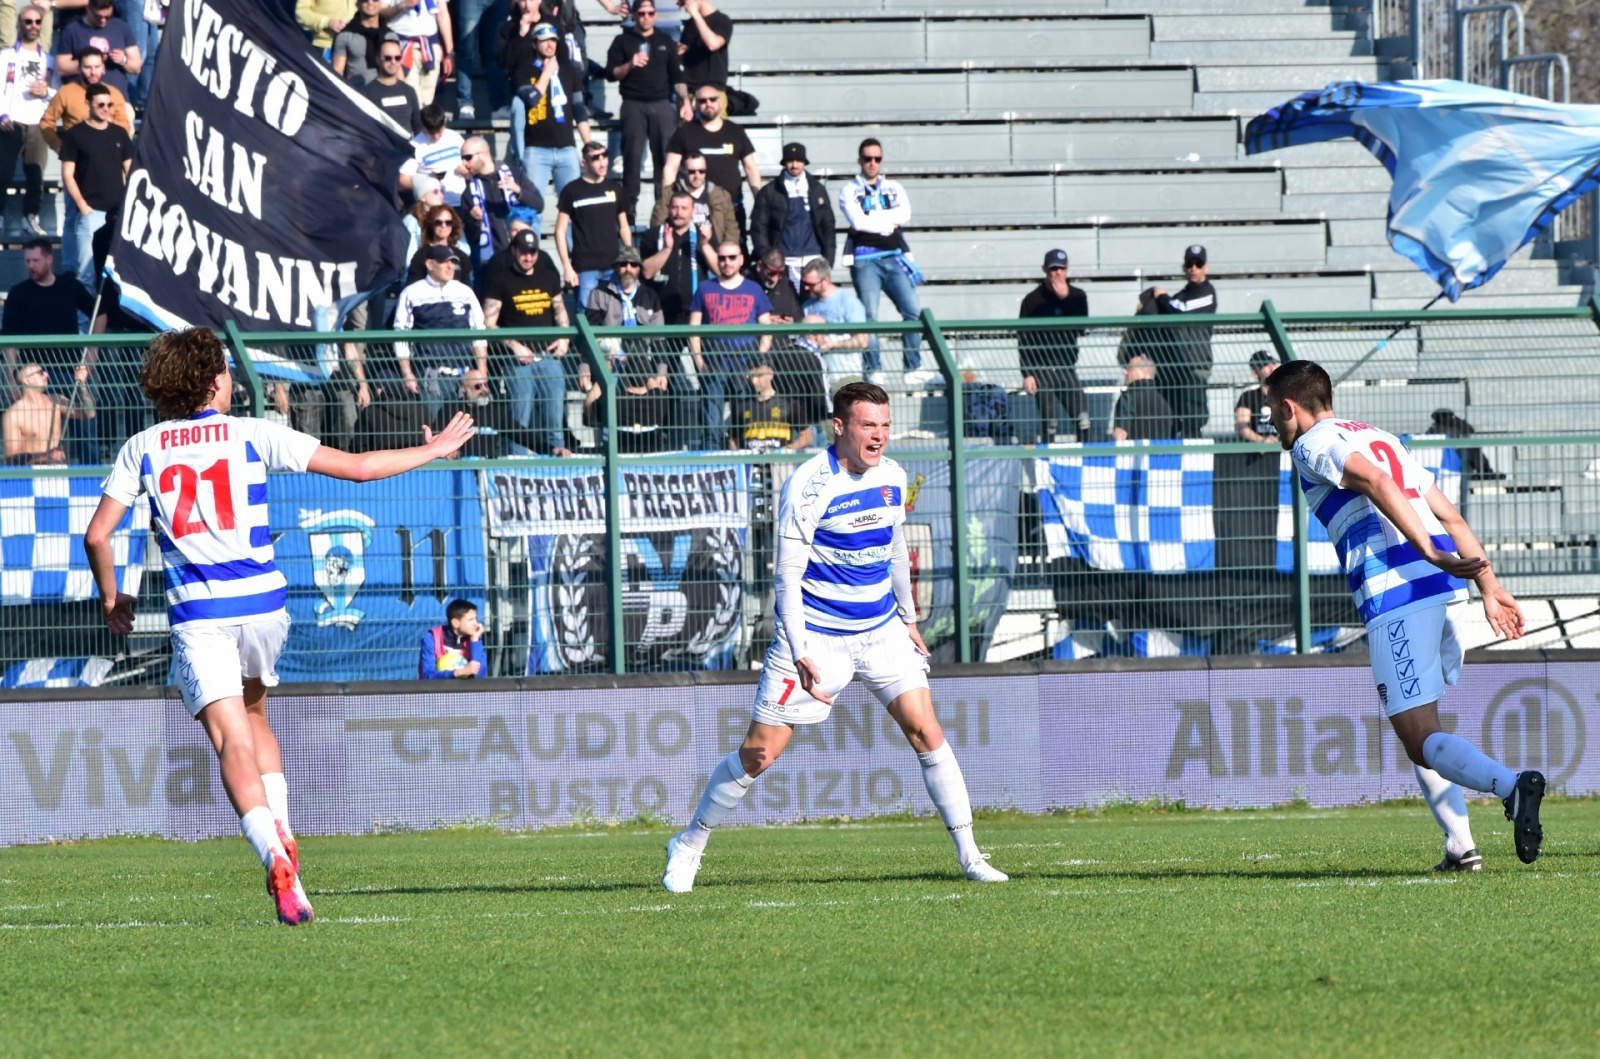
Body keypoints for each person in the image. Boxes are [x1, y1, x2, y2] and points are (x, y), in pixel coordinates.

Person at [83, 326, 476, 925]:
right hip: (265, 607)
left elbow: (96, 535)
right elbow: (361, 469)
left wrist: (113, 597)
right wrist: (434, 449)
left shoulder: (143, 447)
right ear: (215, 379)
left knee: (229, 738)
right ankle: (285, 831)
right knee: (257, 714)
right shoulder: (251, 433)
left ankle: (272, 851)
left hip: (202, 613)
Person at [661, 381, 1009, 891]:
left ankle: (970, 856)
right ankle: (689, 843)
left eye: (886, 425)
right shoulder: (807, 485)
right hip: (817, 637)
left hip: (881, 630)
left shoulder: (892, 475)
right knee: (760, 754)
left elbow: (894, 547)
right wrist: (800, 652)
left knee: (926, 731)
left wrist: (908, 617)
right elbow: (786, 577)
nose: (880, 436)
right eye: (869, 425)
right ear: (840, 426)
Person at [1265, 358, 1545, 870]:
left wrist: (1430, 551)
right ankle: (1461, 847)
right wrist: (1488, 584)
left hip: (1398, 591)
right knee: (1422, 727)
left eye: (1271, 413)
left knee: (1418, 737)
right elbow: (1449, 512)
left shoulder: (1311, 443)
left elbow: (1374, 482)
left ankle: (1512, 787)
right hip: (1441, 593)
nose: (1272, 425)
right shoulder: (1381, 435)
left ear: (1290, 407)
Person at [840, 138, 923, 381]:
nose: (872, 163)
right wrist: (887, 221)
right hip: (865, 260)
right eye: (867, 158)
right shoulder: (849, 189)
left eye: (877, 158)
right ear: (859, 161)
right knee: (870, 316)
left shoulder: (894, 187)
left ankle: (913, 368)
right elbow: (858, 222)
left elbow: (905, 215)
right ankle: (874, 368)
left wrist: (873, 219)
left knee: (913, 312)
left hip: (895, 257)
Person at [484, 227, 571, 456]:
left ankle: (558, 472)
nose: (528, 256)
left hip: (549, 357)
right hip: (518, 363)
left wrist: (564, 337)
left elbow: (560, 310)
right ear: (514, 250)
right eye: (523, 251)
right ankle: (516, 473)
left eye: (532, 252)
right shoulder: (501, 280)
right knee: (519, 422)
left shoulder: (549, 276)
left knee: (554, 420)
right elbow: (488, 322)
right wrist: (514, 344)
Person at [604, 0, 686, 221]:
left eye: (650, 13)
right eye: (641, 13)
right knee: (632, 156)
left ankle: (666, 204)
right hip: (633, 104)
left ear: (656, 15)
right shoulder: (622, 41)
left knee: (665, 157)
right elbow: (611, 73)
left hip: (661, 104)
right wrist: (630, 64)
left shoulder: (665, 41)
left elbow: (677, 76)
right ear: (634, 14)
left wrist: (686, 101)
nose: (646, 17)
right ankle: (629, 208)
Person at [687, 240, 771, 450]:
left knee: (743, 419)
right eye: (722, 258)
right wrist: (699, 361)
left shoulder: (754, 289)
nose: (727, 262)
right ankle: (712, 467)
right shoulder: (704, 288)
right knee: (711, 421)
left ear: (741, 259)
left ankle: (744, 467)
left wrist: (757, 362)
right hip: (714, 361)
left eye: (732, 257)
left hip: (745, 361)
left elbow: (767, 330)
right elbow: (693, 328)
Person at [393, 244, 489, 416]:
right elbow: (401, 336)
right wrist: (407, 373)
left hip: (464, 374)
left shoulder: (465, 291)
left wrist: (481, 371)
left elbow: (479, 332)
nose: (450, 266)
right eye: (444, 262)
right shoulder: (411, 293)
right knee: (436, 428)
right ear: (430, 265)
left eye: (452, 262)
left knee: (465, 428)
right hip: (431, 376)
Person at [509, 23, 592, 217]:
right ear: (534, 44)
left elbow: (579, 110)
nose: (550, 45)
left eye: (553, 40)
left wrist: (588, 145)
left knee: (574, 209)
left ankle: (572, 248)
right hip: (536, 150)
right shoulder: (524, 71)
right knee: (532, 209)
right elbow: (531, 99)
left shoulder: (569, 71)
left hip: (567, 149)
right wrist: (546, 74)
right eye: (544, 40)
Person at [660, 85, 759, 238]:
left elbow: (750, 167)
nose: (708, 104)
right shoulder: (684, 132)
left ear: (720, 102)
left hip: (731, 208)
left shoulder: (735, 131)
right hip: (695, 209)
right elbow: (670, 169)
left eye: (712, 99)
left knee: (735, 254)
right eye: (703, 101)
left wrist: (758, 200)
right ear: (696, 104)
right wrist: (667, 201)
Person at [58, 81, 129, 283]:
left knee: (119, 275)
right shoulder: (75, 135)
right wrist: (82, 205)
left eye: (109, 105)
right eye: (101, 105)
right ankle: (84, 316)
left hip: (117, 214)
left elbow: (131, 170)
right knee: (86, 274)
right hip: (91, 212)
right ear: (88, 104)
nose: (106, 109)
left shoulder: (119, 133)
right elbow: (68, 174)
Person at [1018, 248, 1089, 443]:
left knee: (1083, 419)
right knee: (1050, 422)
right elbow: (1023, 339)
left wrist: (1066, 299)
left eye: (1062, 268)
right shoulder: (1032, 300)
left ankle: (1088, 458)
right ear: (1045, 270)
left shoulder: (1077, 296)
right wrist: (1027, 373)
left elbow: (1082, 327)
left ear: (1068, 269)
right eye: (1053, 268)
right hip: (1042, 368)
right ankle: (1047, 462)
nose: (1058, 273)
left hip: (1066, 367)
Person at [554, 140, 631, 318]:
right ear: (584, 163)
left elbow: (624, 227)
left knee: (616, 314)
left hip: (613, 265)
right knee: (586, 315)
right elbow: (560, 231)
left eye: (605, 156)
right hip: (585, 266)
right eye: (596, 158)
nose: (603, 162)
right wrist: (567, 266)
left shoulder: (615, 188)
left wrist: (629, 257)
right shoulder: (572, 191)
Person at [1150, 244, 1216, 439]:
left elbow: (1180, 309)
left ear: (1206, 267)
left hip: (1195, 366)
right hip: (1174, 367)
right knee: (1173, 415)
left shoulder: (1207, 293)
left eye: (1198, 263)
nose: (1193, 268)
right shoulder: (1182, 293)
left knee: (1193, 417)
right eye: (1189, 264)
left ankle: (1193, 464)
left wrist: (1161, 297)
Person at [0, 6, 56, 238]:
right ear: (20, 24)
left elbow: (58, 94)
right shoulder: (7, 55)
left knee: (35, 174)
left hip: (37, 121)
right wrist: (2, 114)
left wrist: (45, 91)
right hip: (11, 121)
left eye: (36, 22)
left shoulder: (49, 60)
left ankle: (29, 216)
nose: (33, 26)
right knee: (3, 172)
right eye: (28, 21)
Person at [751, 142, 834, 288]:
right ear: (784, 163)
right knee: (788, 306)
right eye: (790, 161)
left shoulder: (817, 189)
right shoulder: (770, 191)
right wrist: (768, 258)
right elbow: (759, 227)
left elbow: (828, 225)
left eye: (798, 161)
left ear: (804, 162)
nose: (794, 165)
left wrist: (829, 259)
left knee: (813, 305)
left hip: (813, 259)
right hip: (783, 262)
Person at [456, 135, 540, 277]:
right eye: (462, 158)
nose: (464, 163)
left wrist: (518, 190)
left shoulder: (514, 175)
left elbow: (539, 205)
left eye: (468, 157)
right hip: (492, 263)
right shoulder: (469, 192)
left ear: (483, 154)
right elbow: (473, 239)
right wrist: (475, 220)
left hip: (523, 256)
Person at [640, 188, 713, 324]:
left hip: (695, 311)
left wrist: (704, 245)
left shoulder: (703, 235)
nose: (678, 213)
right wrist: (667, 249)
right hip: (660, 311)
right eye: (675, 208)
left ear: (693, 211)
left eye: (684, 208)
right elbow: (647, 272)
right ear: (668, 209)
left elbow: (719, 270)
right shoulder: (653, 235)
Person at [39, 46, 129, 152]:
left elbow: (125, 126)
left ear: (103, 68)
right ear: (79, 69)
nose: (93, 72)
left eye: (97, 67)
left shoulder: (114, 93)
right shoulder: (66, 92)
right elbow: (46, 122)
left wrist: (110, 123)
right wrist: (59, 147)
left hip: (109, 153)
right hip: (78, 156)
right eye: (87, 67)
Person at [798, 256, 868, 391]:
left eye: (811, 284)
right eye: (804, 283)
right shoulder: (808, 306)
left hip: (846, 375)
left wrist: (833, 345)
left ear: (826, 280)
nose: (806, 288)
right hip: (819, 380)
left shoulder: (848, 301)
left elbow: (863, 340)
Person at [646, 148, 737, 249]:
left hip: (713, 251)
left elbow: (731, 229)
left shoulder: (720, 195)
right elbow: (657, 225)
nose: (697, 176)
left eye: (701, 171)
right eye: (691, 172)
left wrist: (727, 252)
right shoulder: (670, 193)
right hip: (681, 250)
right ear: (683, 170)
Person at [4, 361, 92, 464]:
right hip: (32, 474)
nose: (46, 374)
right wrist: (45, 456)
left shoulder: (56, 401)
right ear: (26, 380)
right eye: (40, 372)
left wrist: (82, 384)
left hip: (59, 471)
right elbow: (11, 458)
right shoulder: (13, 415)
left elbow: (89, 413)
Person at [56, 0, 139, 99]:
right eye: (98, 16)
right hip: (82, 98)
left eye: (107, 17)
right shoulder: (72, 30)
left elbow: (136, 67)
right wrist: (90, 62)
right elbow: (61, 68)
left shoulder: (121, 27)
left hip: (116, 98)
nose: (103, 21)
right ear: (88, 9)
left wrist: (123, 60)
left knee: (129, 112)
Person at [381, 0, 453, 108]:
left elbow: (442, 13)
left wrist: (449, 52)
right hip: (403, 45)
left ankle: (422, 122)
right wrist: (403, 5)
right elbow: (381, 12)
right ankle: (416, 123)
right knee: (413, 97)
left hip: (430, 45)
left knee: (427, 99)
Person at [729, 360, 811, 451]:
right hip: (752, 462)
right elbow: (733, 438)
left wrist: (786, 450)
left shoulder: (789, 403)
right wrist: (739, 459)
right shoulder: (742, 406)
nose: (754, 381)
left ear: (771, 374)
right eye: (751, 376)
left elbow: (807, 437)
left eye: (759, 375)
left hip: (780, 462)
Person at [360, 38, 421, 133]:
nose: (393, 62)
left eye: (397, 58)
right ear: (378, 59)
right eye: (388, 58)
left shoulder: (409, 91)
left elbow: (418, 127)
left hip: (406, 146)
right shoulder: (368, 92)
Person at [410, 103, 465, 206]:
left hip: (460, 202)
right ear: (422, 126)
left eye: (439, 132)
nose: (436, 137)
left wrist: (465, 171)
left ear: (444, 122)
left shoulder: (455, 137)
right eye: (431, 133)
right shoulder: (414, 146)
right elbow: (405, 180)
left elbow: (470, 164)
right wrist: (426, 179)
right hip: (434, 207)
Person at [418, 598, 486, 679]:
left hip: (465, 690)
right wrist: (460, 672)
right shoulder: (432, 638)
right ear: (455, 623)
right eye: (470, 620)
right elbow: (427, 675)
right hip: (436, 690)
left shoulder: (474, 638)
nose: (476, 623)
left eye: (476, 618)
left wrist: (475, 640)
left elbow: (480, 675)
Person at [406, 202, 472, 283]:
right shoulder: (420, 256)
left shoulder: (461, 256)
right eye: (438, 222)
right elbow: (412, 287)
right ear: (431, 224)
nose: (443, 226)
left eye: (448, 222)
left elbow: (467, 289)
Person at [331, 0, 394, 85]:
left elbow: (397, 68)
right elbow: (337, 73)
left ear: (380, 3)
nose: (370, 2)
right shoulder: (345, 36)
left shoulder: (390, 35)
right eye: (365, 0)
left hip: (385, 92)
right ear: (357, 3)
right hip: (357, 93)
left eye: (375, 0)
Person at [1111, 354, 1172, 441]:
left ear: (1145, 372)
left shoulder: (1129, 397)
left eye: (1130, 368)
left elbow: (1120, 435)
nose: (1125, 372)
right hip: (1158, 454)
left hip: (1134, 453)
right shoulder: (1164, 403)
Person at [676, 0, 730, 95]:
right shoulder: (690, 24)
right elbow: (687, 60)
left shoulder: (721, 20)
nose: (682, 5)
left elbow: (713, 44)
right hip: (690, 89)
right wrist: (680, 53)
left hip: (713, 90)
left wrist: (696, 15)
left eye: (683, 1)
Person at [1234, 349, 1277, 442]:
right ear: (1255, 373)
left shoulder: (1287, 395)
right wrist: (1262, 440)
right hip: (1257, 452)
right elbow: (1241, 426)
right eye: (1266, 365)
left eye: (1273, 363)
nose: (1272, 368)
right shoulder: (1248, 397)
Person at [751, 247, 801, 322]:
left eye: (781, 273)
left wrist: (793, 321)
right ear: (759, 266)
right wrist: (763, 320)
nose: (775, 279)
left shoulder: (786, 285)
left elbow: (798, 315)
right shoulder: (745, 283)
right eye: (771, 273)